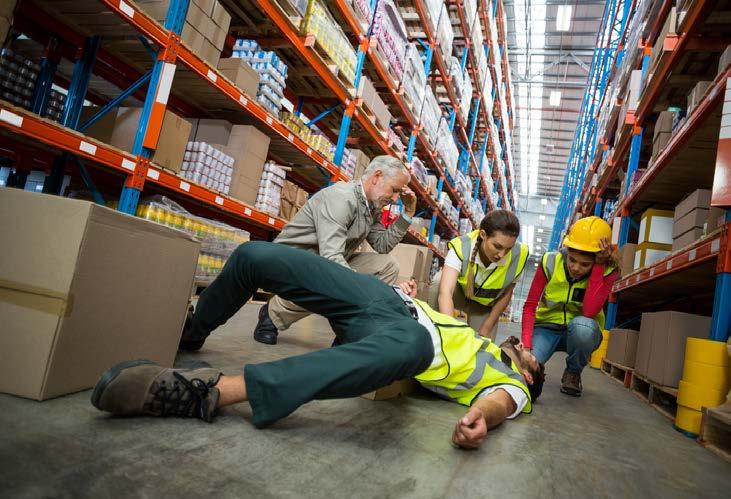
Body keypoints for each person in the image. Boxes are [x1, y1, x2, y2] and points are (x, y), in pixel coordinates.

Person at [92, 242, 545, 450]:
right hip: (386, 301)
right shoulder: (482, 339)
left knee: (413, 345)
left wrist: (481, 419)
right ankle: (192, 332)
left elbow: (499, 404)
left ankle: (208, 392)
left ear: (529, 373)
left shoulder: (511, 383)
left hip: (402, 339)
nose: (525, 347)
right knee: (255, 256)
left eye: (531, 356)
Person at [181, 155, 417, 350]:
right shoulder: (341, 198)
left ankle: (348, 335)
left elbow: (383, 245)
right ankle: (205, 327)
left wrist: (407, 214)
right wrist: (368, 290)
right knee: (338, 279)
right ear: (376, 176)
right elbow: (331, 259)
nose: (395, 199)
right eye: (394, 190)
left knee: (387, 266)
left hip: (322, 264)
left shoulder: (372, 207)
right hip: (292, 261)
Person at [521, 216, 618, 397]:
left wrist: (598, 267)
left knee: (583, 328)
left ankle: (573, 373)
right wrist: (526, 347)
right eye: (572, 259)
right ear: (567, 250)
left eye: (585, 264)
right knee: (528, 367)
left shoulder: (608, 271)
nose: (576, 268)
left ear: (597, 259)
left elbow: (590, 311)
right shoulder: (550, 261)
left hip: (581, 332)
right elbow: (530, 306)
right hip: (546, 329)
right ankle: (538, 368)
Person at [429, 210, 529, 340]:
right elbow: (446, 292)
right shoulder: (462, 246)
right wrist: (450, 331)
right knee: (438, 281)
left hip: (484, 307)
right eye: (497, 246)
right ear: (483, 235)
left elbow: (506, 294)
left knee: (482, 345)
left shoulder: (519, 256)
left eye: (508, 249)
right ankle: (433, 332)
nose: (501, 255)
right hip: (460, 295)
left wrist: (486, 328)